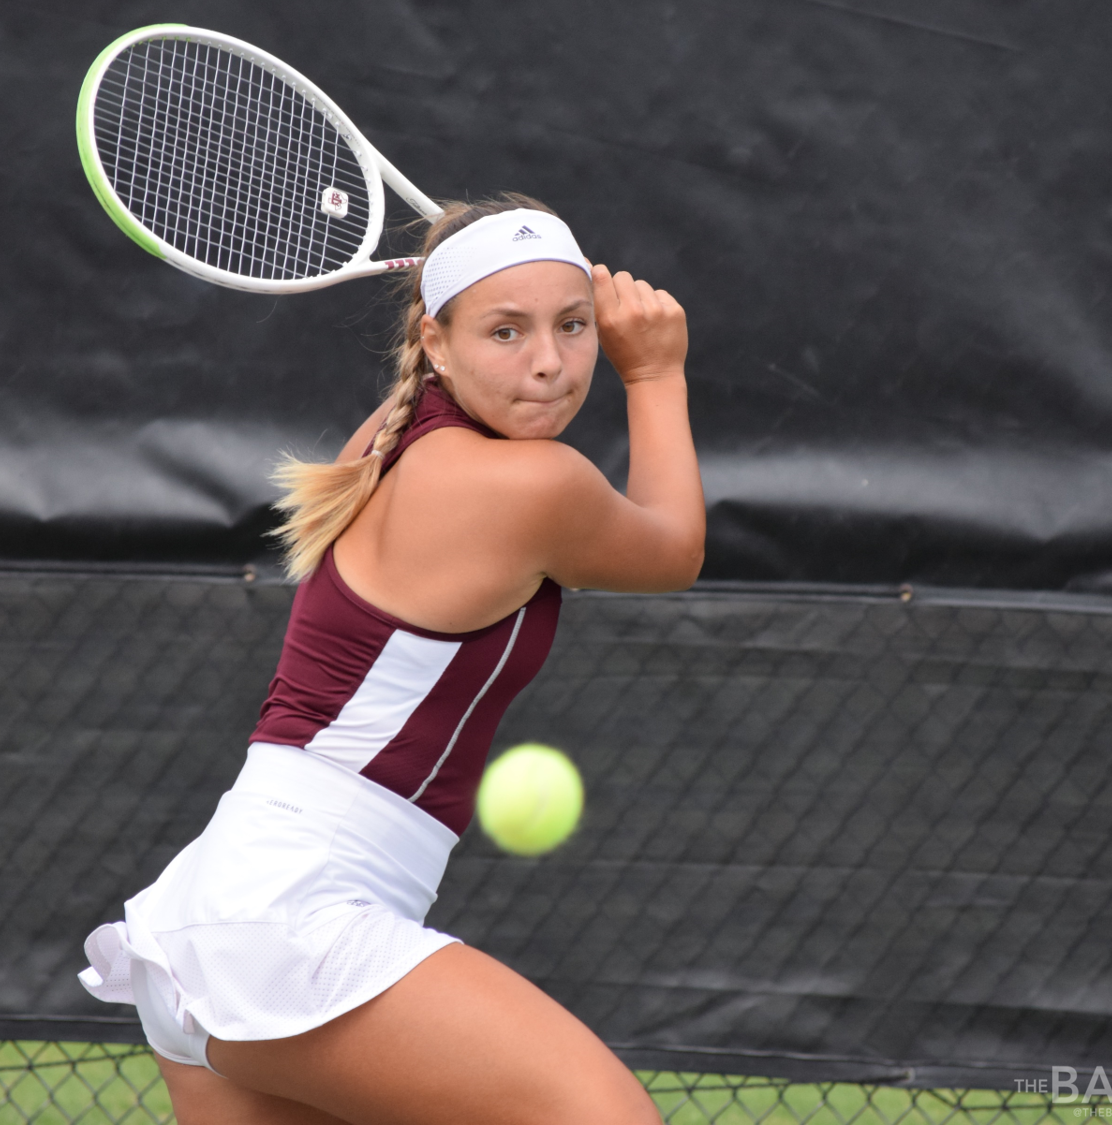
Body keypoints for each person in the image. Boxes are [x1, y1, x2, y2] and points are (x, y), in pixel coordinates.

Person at [79, 194, 704, 1125]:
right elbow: (673, 549)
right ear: (438, 342)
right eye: (506, 330)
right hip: (291, 920)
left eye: (574, 327)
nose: (550, 362)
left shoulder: (384, 439)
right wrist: (653, 372)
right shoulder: (532, 486)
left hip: (216, 920)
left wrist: (476, 265)